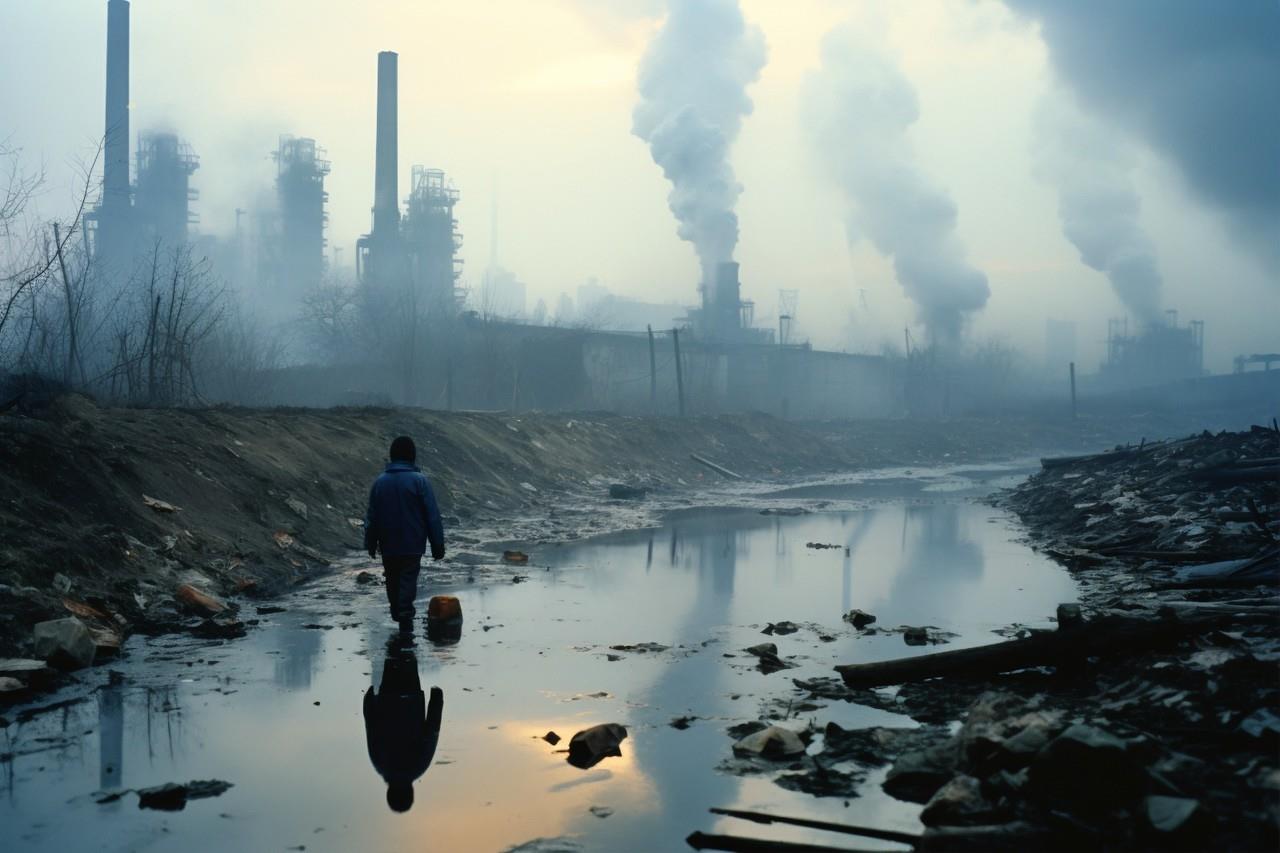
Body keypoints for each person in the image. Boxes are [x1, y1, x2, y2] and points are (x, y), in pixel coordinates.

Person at [364, 436, 446, 635]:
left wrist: (370, 542)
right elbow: (432, 516)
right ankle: (405, 614)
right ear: (413, 457)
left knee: (392, 578)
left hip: (388, 544)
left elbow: (372, 516)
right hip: (412, 543)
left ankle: (397, 612)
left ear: (392, 456)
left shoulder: (380, 482)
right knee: (408, 578)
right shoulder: (420, 481)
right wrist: (437, 545)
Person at [363, 642, 444, 813]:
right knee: (393, 656)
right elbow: (371, 726)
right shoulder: (380, 763)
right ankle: (400, 630)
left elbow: (432, 730)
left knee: (407, 655)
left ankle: (405, 630)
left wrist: (437, 699)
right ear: (389, 792)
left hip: (411, 697)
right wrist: (369, 699)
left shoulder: (419, 766)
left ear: (411, 792)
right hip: (388, 696)